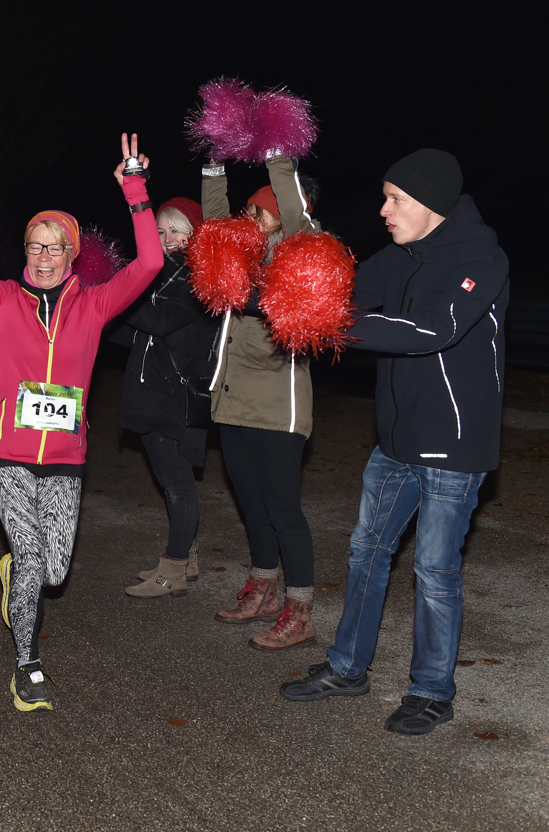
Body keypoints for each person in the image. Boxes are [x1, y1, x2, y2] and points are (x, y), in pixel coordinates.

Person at [280, 149, 508, 734]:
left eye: (396, 199)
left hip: (454, 449)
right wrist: (281, 291)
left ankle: (431, 692)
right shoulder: (399, 256)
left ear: (429, 202)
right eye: (385, 196)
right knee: (367, 554)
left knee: (434, 571)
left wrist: (332, 324)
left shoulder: (480, 257)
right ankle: (347, 668)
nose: (383, 210)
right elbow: (343, 290)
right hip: (396, 445)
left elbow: (433, 330)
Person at [0, 125, 163, 711]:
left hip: (66, 457)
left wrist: (135, 190)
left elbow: (150, 260)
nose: (41, 257)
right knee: (37, 558)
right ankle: (27, 665)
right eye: (34, 246)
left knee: (54, 571)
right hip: (6, 454)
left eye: (54, 247)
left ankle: (18, 573)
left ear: (72, 255)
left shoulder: (95, 302)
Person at [203, 153, 322, 649]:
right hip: (233, 402)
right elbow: (213, 227)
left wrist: (278, 156)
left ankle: (301, 609)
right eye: (249, 210)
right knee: (252, 505)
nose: (250, 219)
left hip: (278, 406)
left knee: (282, 509)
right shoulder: (244, 255)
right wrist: (214, 169)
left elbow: (295, 211)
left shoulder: (301, 250)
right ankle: (264, 590)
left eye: (259, 211)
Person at [113, 196, 219, 598]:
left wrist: (121, 289)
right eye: (160, 231)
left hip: (177, 395)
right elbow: (134, 334)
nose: (167, 238)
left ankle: (173, 569)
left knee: (177, 484)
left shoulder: (200, 280)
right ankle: (186, 556)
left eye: (176, 229)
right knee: (165, 478)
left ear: (195, 235)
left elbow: (158, 321)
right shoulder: (162, 277)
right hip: (150, 390)